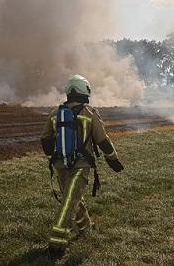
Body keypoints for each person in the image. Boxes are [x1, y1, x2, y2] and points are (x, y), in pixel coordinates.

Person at [40, 74, 124, 260]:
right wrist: (113, 160)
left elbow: (45, 139)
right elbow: (103, 140)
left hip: (60, 165)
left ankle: (85, 226)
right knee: (69, 201)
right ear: (84, 90)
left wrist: (54, 155)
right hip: (80, 165)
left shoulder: (56, 112)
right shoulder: (89, 112)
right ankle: (57, 243)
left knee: (71, 196)